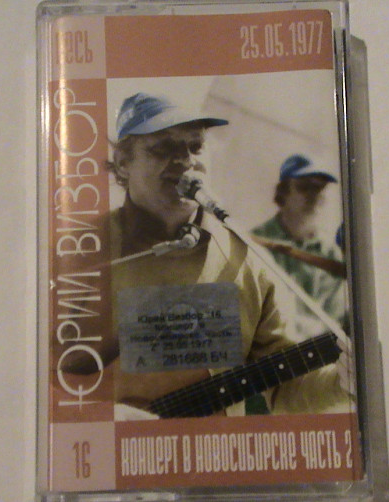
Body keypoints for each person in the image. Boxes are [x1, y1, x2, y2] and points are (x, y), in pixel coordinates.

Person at [99, 93, 352, 419]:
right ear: (123, 161)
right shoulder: (84, 250)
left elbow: (283, 390)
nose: (186, 161)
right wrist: (102, 417)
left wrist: (341, 384)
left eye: (196, 146)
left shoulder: (250, 262)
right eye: (164, 148)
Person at [252, 155, 348, 338]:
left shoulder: (332, 255)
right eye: (305, 187)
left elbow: (334, 320)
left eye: (320, 188)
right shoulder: (254, 244)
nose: (314, 196)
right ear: (283, 193)